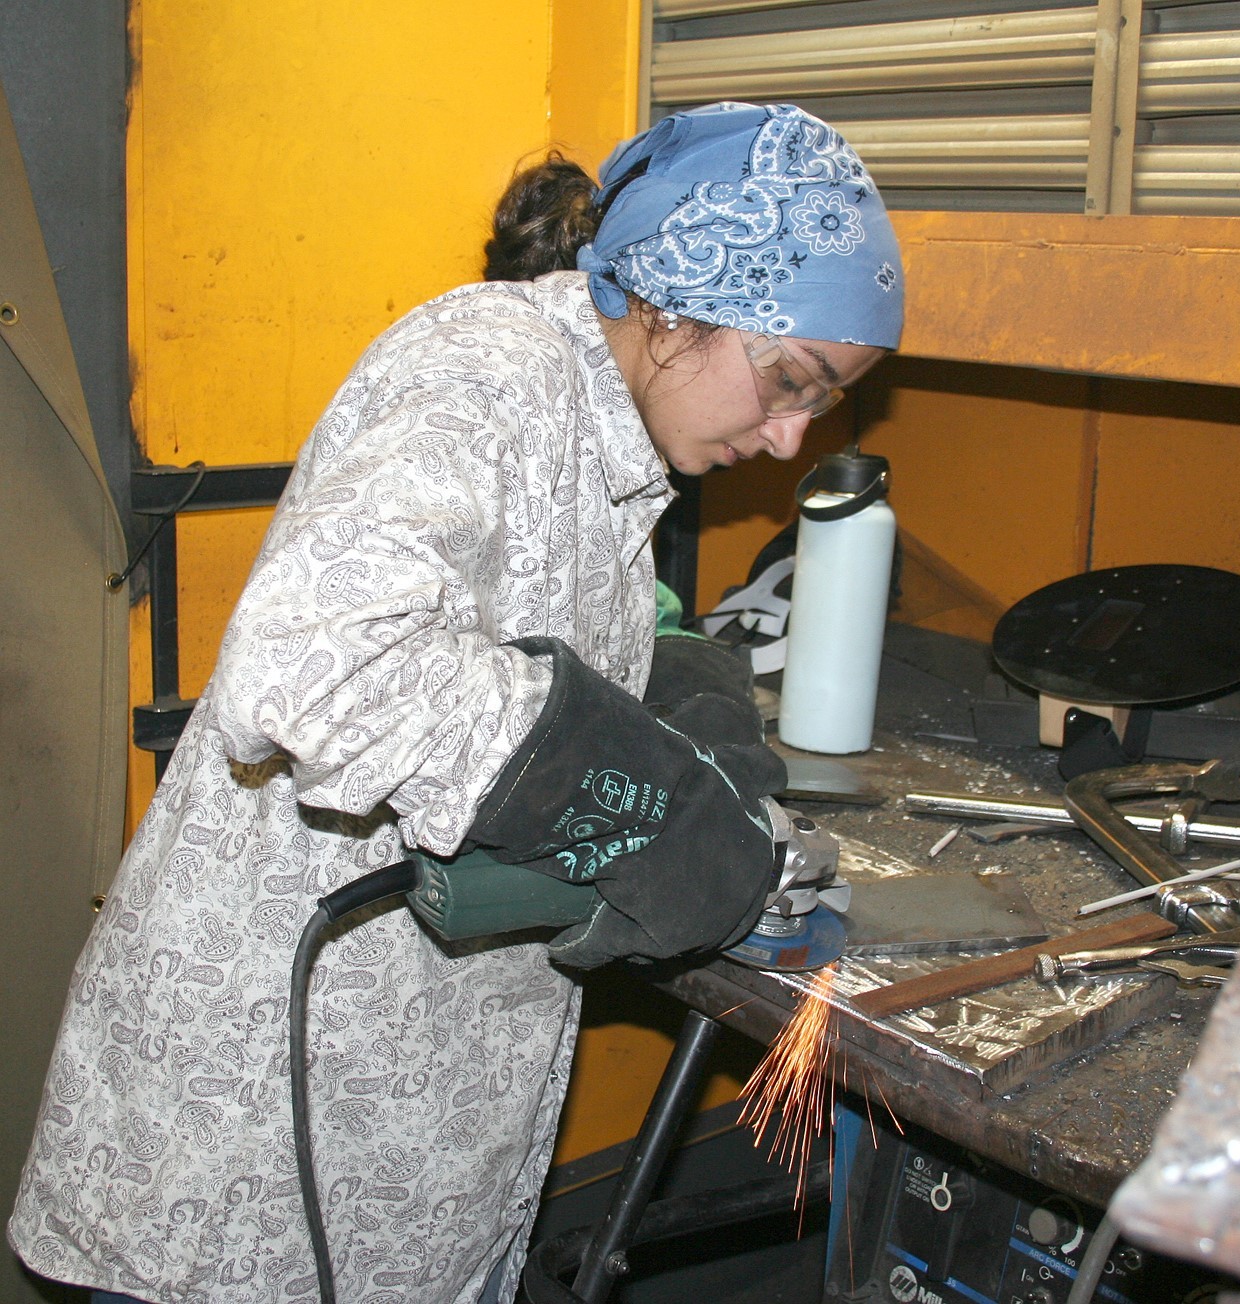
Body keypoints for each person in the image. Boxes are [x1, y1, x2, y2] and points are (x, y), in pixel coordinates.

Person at [8, 100, 903, 1304]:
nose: (794, 434)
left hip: (422, 1136)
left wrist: (677, 711)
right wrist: (630, 796)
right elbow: (319, 661)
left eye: (825, 402)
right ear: (676, 300)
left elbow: (527, 627)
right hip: (258, 1147)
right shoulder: (487, 370)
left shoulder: (619, 441)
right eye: (788, 377)